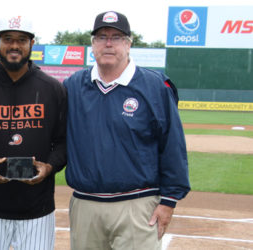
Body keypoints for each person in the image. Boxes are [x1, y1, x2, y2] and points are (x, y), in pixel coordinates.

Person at [63, 11, 190, 249]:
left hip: (138, 205)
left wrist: (169, 201)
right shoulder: (73, 86)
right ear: (93, 44)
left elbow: (172, 144)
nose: (108, 43)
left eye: (117, 37)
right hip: (85, 205)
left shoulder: (154, 86)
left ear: (129, 44)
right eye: (101, 37)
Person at [0, 15, 67, 250]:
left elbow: (63, 143)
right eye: (8, 39)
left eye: (21, 39)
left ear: (32, 43)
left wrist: (50, 167)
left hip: (37, 208)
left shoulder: (52, 90)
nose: (15, 46)